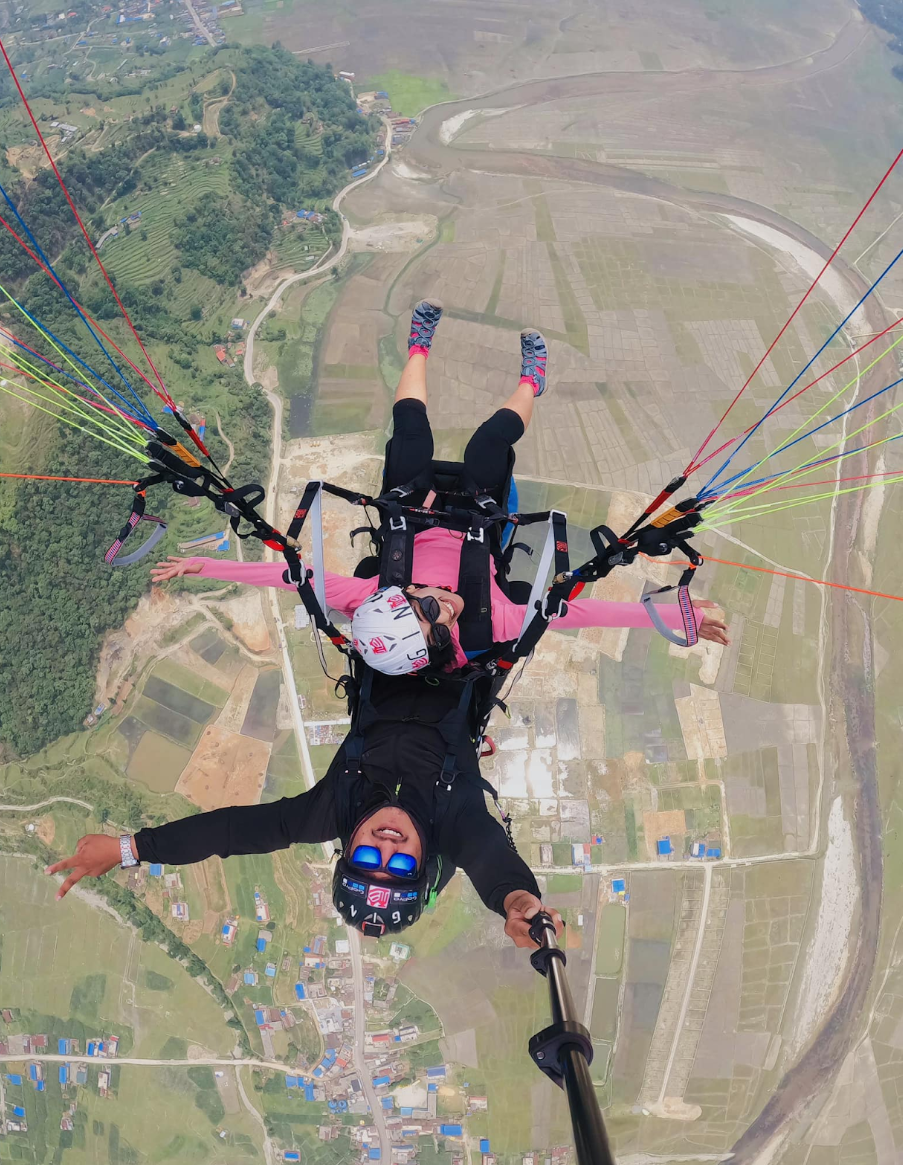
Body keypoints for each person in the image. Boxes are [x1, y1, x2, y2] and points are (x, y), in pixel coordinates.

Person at [150, 300, 730, 669]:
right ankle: (532, 383)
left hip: (411, 510)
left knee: (409, 431)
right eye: (439, 619)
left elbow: (291, 576)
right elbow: (578, 614)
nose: (441, 603)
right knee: (487, 444)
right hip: (479, 516)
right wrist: (679, 619)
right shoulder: (488, 621)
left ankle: (418, 346)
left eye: (417, 603)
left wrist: (203, 566)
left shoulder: (369, 603)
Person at [46, 665, 563, 947]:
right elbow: (498, 872)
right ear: (424, 865)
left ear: (347, 852)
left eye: (366, 861)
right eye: (399, 866)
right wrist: (519, 906)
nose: (385, 848)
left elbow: (229, 833)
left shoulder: (332, 811)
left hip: (390, 652)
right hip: (469, 656)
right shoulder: (458, 827)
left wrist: (129, 849)